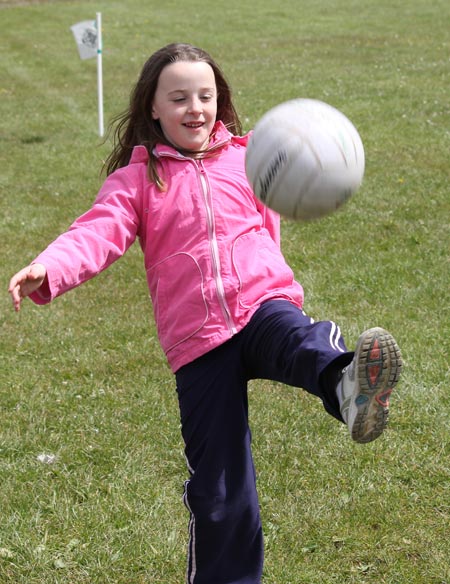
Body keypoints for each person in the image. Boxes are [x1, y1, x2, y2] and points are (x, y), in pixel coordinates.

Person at [8, 43, 402, 584]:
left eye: (205, 96)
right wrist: (50, 268)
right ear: (153, 106)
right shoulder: (140, 178)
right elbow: (98, 230)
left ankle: (347, 385)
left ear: (220, 100)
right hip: (197, 341)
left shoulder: (253, 158)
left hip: (261, 307)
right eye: (179, 98)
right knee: (220, 493)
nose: (195, 108)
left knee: (304, 341)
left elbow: (274, 216)